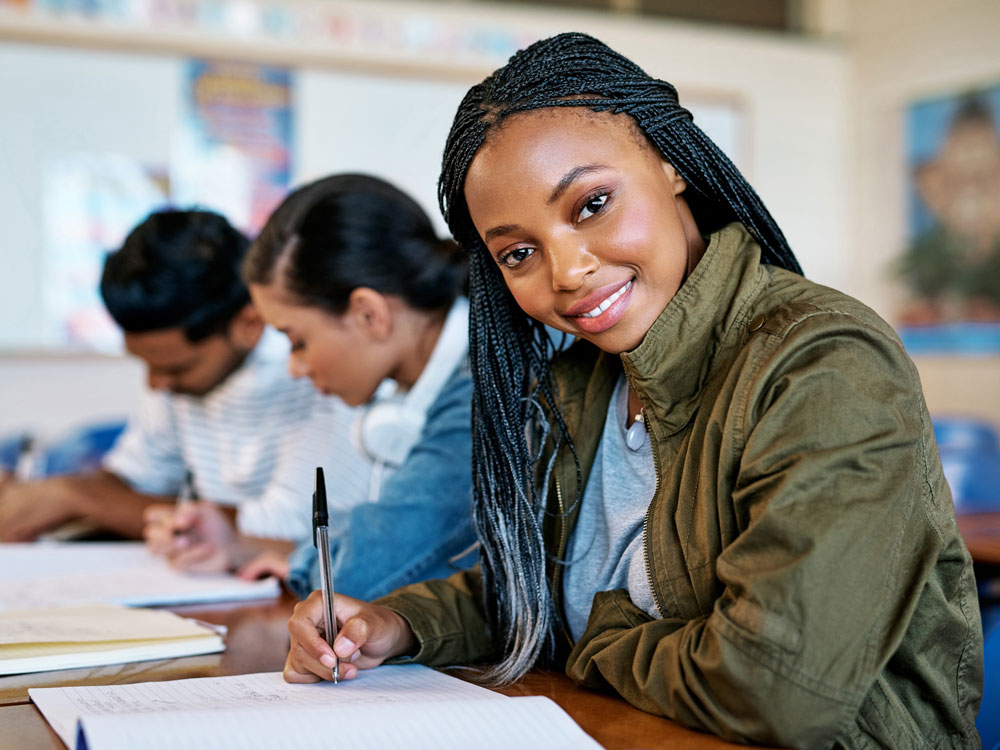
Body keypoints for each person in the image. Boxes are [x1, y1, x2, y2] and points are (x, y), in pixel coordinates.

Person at [283, 33, 984, 748]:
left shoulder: (825, 362)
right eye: (518, 253)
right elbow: (542, 585)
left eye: (591, 205)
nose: (567, 271)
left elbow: (777, 687)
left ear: (672, 164)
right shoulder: (583, 381)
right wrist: (393, 625)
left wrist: (597, 640)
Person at [170, 173, 479, 601]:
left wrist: (303, 563)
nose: (295, 368)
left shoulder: (477, 392)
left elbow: (367, 573)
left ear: (368, 314)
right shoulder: (444, 376)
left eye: (297, 341)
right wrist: (248, 547)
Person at [0, 209, 369, 555]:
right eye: (146, 363)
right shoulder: (178, 383)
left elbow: (284, 533)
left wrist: (75, 496)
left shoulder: (319, 378)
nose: (156, 383)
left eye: (177, 368)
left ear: (249, 323)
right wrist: (35, 498)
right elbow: (131, 482)